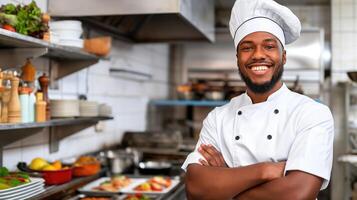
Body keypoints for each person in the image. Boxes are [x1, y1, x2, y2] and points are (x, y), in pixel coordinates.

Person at [181, 0, 334, 199]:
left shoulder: (312, 114)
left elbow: (298, 194)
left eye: (269, 46)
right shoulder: (217, 118)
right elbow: (195, 188)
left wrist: (226, 183)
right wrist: (266, 170)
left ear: (284, 56)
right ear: (237, 57)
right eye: (247, 47)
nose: (258, 55)